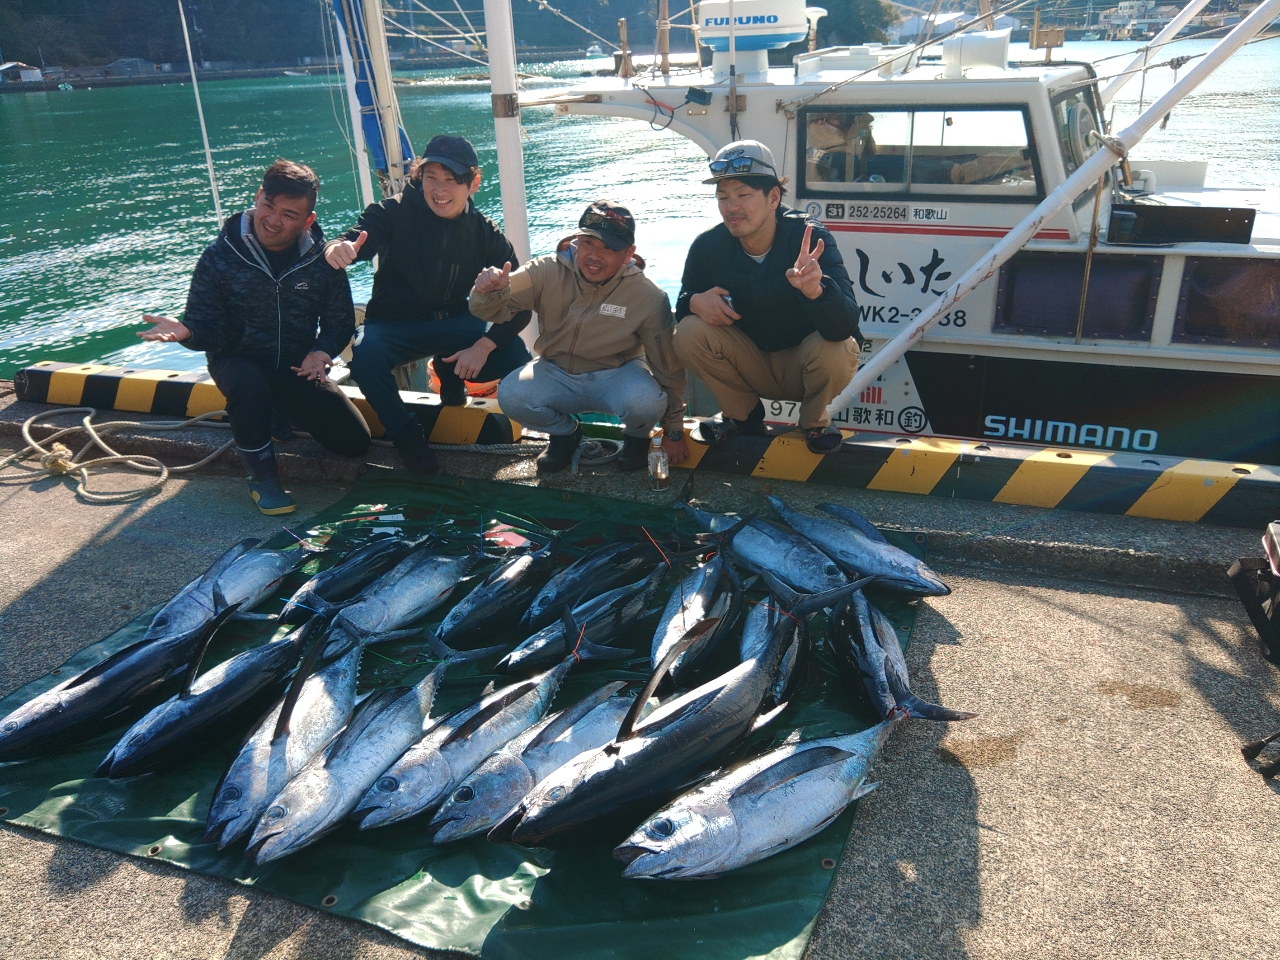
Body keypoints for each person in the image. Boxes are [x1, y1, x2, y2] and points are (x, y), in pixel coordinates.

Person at [138, 160, 370, 515]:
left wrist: (320, 352)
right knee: (249, 385)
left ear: (308, 220)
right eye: (268, 206)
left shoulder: (324, 262)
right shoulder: (218, 258)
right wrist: (189, 332)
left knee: (354, 442)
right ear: (258, 197)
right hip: (236, 360)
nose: (274, 220)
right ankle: (262, 476)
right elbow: (207, 327)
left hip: (295, 363)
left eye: (289, 214)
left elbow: (339, 324)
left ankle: (277, 410)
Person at [325, 135, 532, 475]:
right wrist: (338, 248)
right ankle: (407, 436)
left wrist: (483, 345)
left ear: (473, 183)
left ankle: (451, 374)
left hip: (454, 322)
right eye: (431, 177)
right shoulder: (393, 211)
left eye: (452, 180)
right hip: (394, 325)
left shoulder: (485, 233)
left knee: (515, 357)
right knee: (365, 356)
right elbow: (355, 237)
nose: (440, 189)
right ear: (419, 177)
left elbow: (523, 303)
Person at [469, 201, 688, 476]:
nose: (594, 256)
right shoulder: (543, 271)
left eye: (608, 248)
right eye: (588, 243)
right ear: (576, 241)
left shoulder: (649, 296)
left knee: (647, 402)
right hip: (555, 371)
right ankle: (565, 435)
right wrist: (487, 291)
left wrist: (675, 431)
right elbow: (491, 310)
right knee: (511, 394)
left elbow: (668, 367)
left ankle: (637, 438)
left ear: (629, 253)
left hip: (617, 374)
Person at [672, 140, 861, 455]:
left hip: (803, 364)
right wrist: (694, 301)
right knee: (688, 331)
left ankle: (814, 422)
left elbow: (847, 325)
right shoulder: (708, 247)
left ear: (774, 197)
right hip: (752, 361)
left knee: (839, 348)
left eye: (743, 195)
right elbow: (682, 304)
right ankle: (742, 416)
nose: (732, 207)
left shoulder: (809, 238)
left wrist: (817, 292)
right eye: (723, 197)